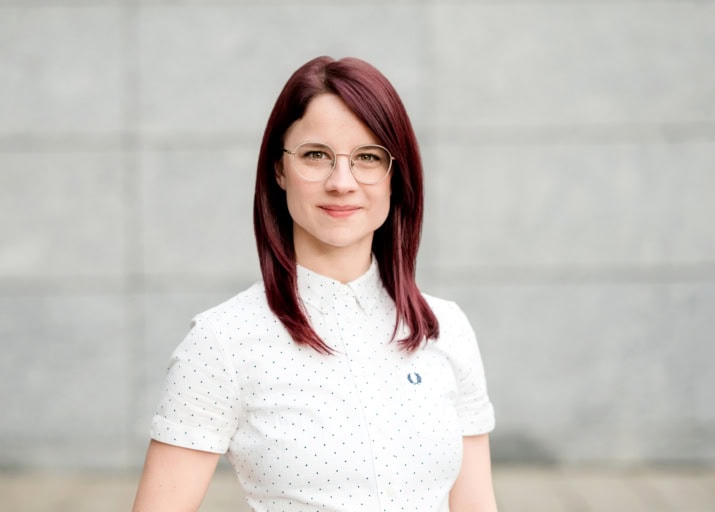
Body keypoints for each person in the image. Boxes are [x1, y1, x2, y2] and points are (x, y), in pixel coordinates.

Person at [132, 56, 497, 512]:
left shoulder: (445, 327)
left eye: (367, 157)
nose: (341, 182)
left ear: (395, 177)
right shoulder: (221, 342)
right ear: (279, 170)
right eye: (315, 155)